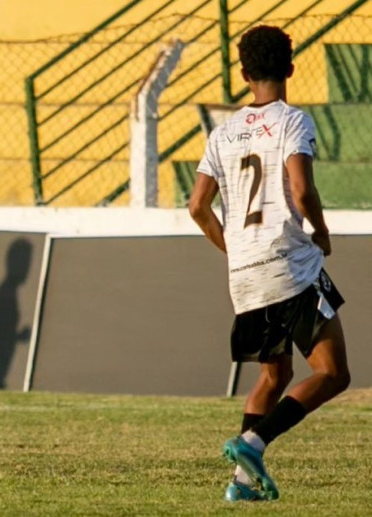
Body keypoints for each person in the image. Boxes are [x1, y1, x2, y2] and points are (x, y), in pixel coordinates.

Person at [188, 25, 351, 502]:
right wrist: (320, 232)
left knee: (272, 376)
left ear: (243, 73)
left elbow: (198, 205)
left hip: (245, 275)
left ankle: (241, 486)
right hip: (291, 265)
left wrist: (233, 250)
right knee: (334, 373)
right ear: (291, 67)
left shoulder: (222, 133)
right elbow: (300, 190)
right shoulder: (293, 122)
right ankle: (253, 444)